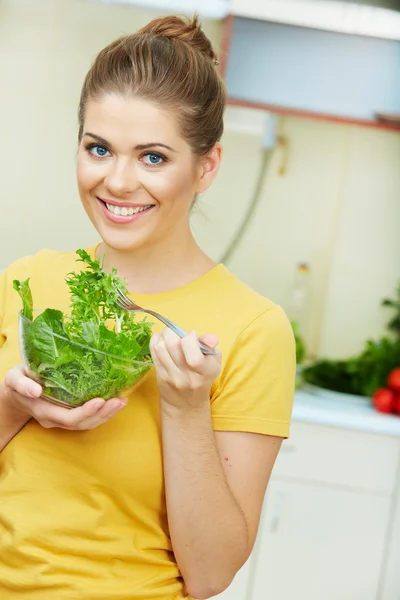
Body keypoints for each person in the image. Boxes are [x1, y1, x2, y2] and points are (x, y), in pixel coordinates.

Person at [0, 14, 295, 600]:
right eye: (99, 148)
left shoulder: (254, 329)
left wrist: (186, 409)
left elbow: (210, 575)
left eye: (153, 157)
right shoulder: (29, 282)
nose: (117, 180)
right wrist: (13, 405)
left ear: (205, 166)